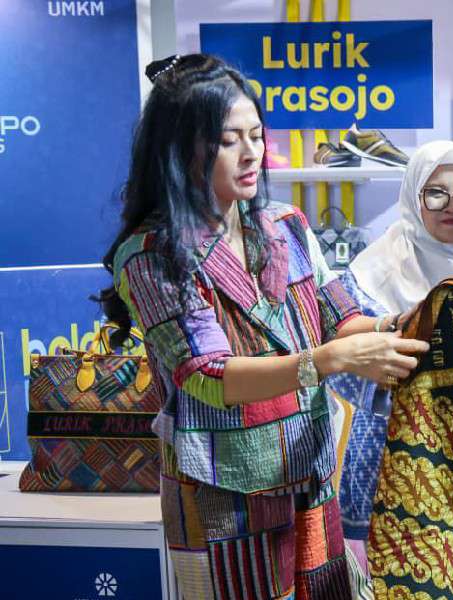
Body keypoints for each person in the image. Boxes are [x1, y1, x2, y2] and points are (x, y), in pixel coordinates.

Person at [97, 54, 428, 600]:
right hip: (220, 493)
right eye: (229, 140)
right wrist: (327, 361)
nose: (252, 152)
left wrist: (405, 324)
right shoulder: (153, 255)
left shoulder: (286, 226)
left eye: (256, 135)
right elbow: (208, 376)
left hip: (308, 469)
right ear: (179, 148)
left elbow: (340, 316)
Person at [329, 140, 453, 568]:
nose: (452, 205)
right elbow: (339, 366)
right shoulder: (368, 275)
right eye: (436, 193)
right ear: (414, 197)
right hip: (392, 459)